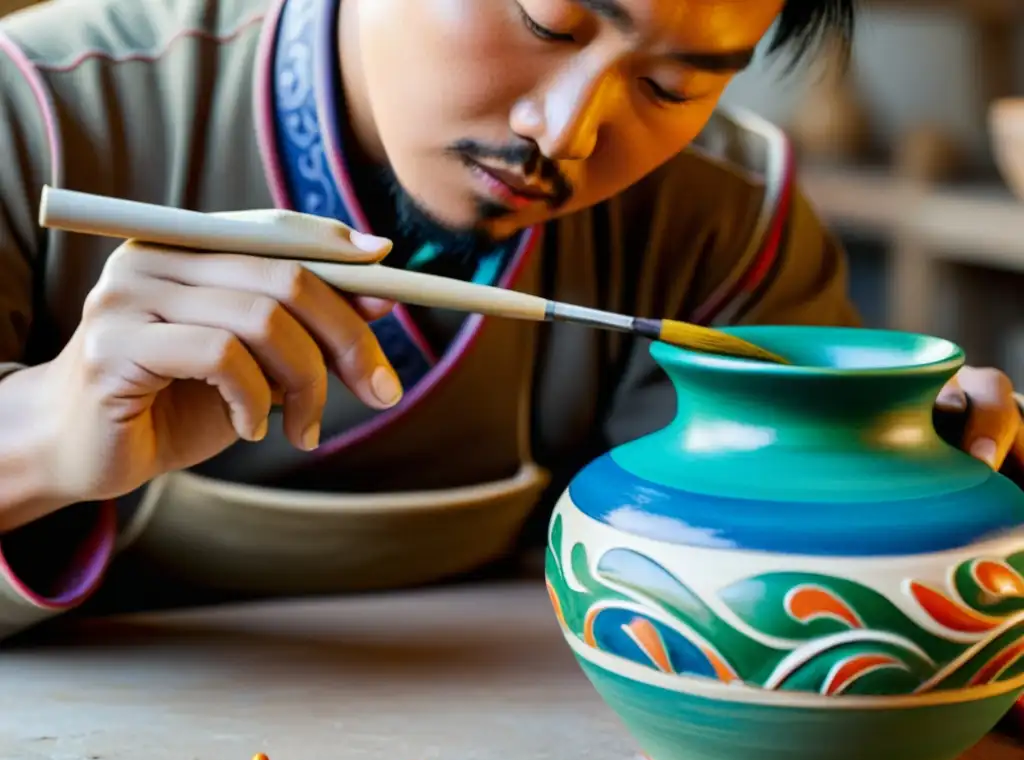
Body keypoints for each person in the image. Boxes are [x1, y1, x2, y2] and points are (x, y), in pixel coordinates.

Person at [0, 0, 1020, 642]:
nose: (563, 132)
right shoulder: (39, 104)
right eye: (549, 25)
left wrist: (911, 471)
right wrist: (47, 435)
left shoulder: (724, 213)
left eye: (667, 86)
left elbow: (783, 600)